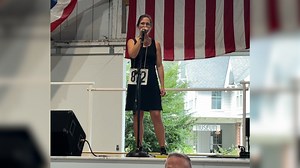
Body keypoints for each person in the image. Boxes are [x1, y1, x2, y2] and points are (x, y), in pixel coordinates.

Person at [125, 14, 167, 155]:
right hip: (137, 79)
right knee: (138, 113)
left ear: (151, 27)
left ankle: (162, 147)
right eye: (142, 23)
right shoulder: (132, 41)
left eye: (147, 24)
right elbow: (132, 54)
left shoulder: (156, 44)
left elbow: (159, 65)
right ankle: (139, 146)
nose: (145, 26)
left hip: (151, 80)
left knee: (156, 113)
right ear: (138, 26)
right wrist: (140, 41)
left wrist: (162, 85)